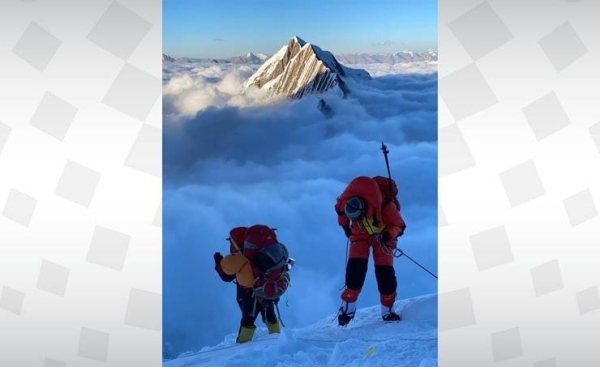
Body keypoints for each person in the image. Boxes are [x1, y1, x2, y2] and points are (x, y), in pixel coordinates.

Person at [334, 176, 407, 326]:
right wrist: (346, 227)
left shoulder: (385, 206)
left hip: (383, 235)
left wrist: (388, 235)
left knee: (384, 273)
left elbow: (399, 225)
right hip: (360, 234)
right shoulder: (347, 201)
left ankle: (387, 311)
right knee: (355, 270)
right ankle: (348, 310)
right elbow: (341, 213)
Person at [213, 226, 282, 343]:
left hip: (248, 295)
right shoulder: (262, 253)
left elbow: (226, 276)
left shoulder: (239, 258)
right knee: (270, 315)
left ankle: (243, 344)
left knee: (248, 320)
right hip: (265, 290)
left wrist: (218, 263)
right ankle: (277, 339)